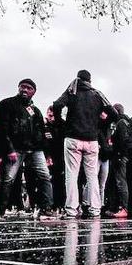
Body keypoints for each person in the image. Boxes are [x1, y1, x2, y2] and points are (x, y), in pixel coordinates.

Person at [52, 70, 117, 219]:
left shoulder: (72, 90)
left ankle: (71, 210)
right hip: (92, 139)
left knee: (72, 174)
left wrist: (61, 123)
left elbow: (57, 105)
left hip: (73, 137)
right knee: (92, 176)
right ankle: (95, 209)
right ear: (90, 81)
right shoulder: (97, 94)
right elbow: (114, 114)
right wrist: (99, 124)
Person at [0, 79, 55, 219]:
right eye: (22, 87)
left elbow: (41, 132)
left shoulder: (35, 111)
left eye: (29, 88)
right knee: (7, 179)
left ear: (34, 92)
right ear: (18, 87)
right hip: (15, 148)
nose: (25, 90)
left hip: (35, 149)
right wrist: (9, 149)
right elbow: (1, 129)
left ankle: (47, 208)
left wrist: (47, 154)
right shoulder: (6, 104)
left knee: (45, 176)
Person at [108, 103, 132, 218]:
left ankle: (124, 208)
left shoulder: (121, 123)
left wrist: (119, 155)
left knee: (121, 182)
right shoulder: (127, 122)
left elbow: (123, 141)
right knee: (120, 182)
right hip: (123, 156)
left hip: (120, 156)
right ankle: (119, 207)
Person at [44, 106, 66, 213]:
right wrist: (47, 156)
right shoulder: (44, 126)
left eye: (53, 116)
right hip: (50, 156)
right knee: (50, 180)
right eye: (49, 116)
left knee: (60, 181)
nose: (51, 118)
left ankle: (60, 204)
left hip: (61, 156)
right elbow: (45, 143)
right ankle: (51, 204)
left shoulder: (63, 125)